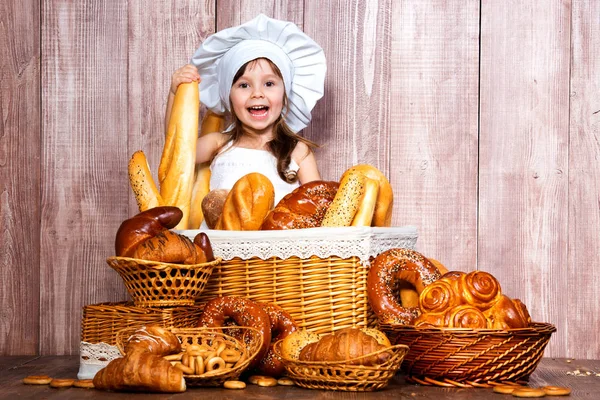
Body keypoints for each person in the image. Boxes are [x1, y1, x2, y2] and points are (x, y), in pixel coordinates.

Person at [164, 14, 327, 227]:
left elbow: (319, 208)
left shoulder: (297, 151)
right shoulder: (219, 144)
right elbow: (176, 150)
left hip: (279, 257)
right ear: (228, 95)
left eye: (269, 84)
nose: (257, 93)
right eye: (244, 85)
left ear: (285, 93)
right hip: (220, 254)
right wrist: (174, 93)